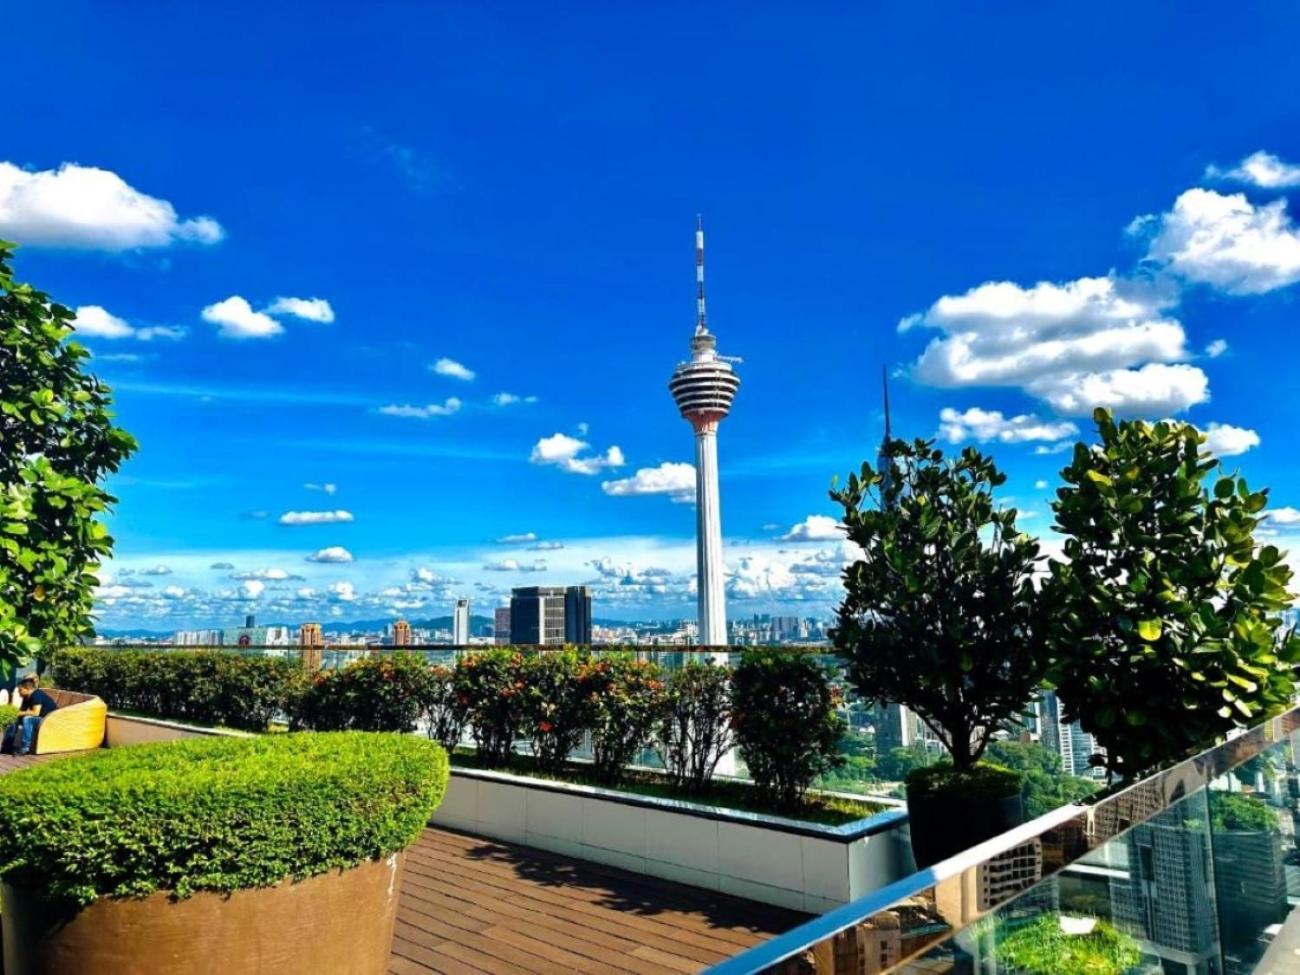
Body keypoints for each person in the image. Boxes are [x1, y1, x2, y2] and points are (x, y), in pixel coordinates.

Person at [10, 676, 59, 756]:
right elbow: (22, 711)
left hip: (49, 720)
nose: (19, 693)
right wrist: (15, 715)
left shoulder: (36, 695)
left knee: (27, 719)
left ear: (27, 689)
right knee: (16, 719)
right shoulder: (27, 696)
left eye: (20, 690)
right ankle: (8, 744)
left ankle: (25, 748)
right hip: (41, 719)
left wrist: (21, 713)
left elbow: (35, 713)